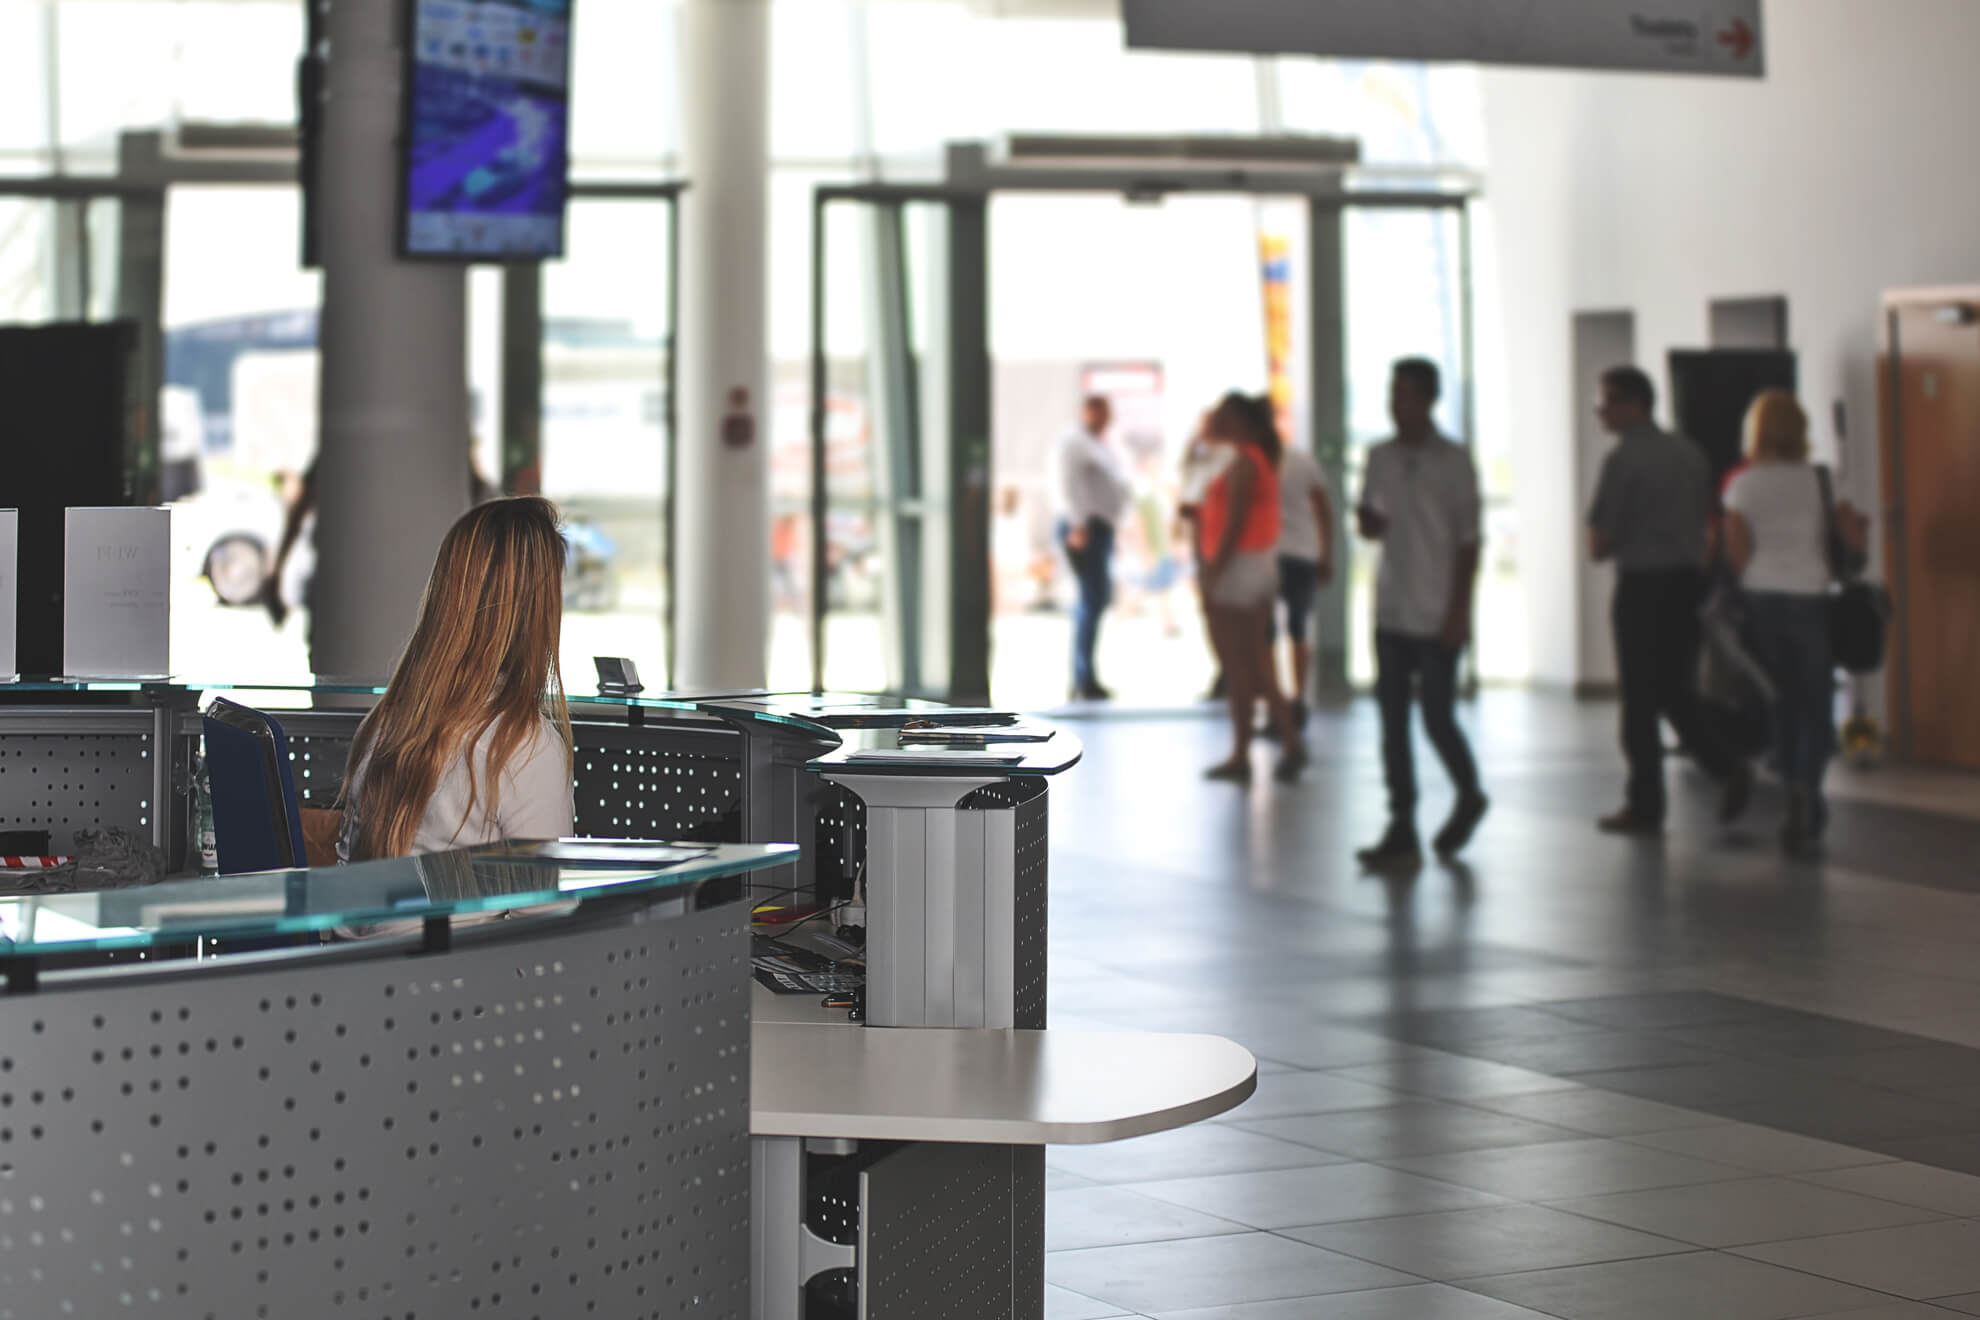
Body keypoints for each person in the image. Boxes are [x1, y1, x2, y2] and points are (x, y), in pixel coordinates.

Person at [337, 496, 575, 861]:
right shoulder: (525, 748)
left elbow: (346, 888)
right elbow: (544, 912)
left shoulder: (383, 723)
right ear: (537, 610)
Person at [1587, 365, 1753, 836]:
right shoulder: (1691, 453)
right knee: (1677, 690)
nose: (1601, 412)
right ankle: (1725, 765)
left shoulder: (1622, 461)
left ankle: (1646, 804)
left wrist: (1614, 538)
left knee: (1639, 699)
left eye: (1607, 401)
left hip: (1641, 587)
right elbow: (1707, 524)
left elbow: (1600, 542)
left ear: (1633, 403)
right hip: (1687, 585)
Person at [1354, 358, 1489, 867]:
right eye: (1392, 393)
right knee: (1392, 724)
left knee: (1436, 716)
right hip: (1390, 608)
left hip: (1436, 610)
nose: (1396, 404)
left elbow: (1469, 542)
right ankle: (1402, 823)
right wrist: (1366, 521)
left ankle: (1468, 791)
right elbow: (1371, 524)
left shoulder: (1454, 461)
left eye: (1406, 394)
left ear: (1429, 400)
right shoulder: (1379, 456)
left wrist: (1459, 612)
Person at [1722, 389, 1868, 854]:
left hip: (1762, 599)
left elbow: (1737, 554)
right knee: (1815, 701)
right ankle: (1808, 788)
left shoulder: (1742, 485)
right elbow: (1851, 541)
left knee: (1780, 701)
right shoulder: (1820, 480)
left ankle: (1791, 792)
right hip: (1811, 597)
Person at [1199, 393, 1304, 784]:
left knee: (1242, 668)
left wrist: (1214, 571)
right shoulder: (1254, 459)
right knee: (1257, 665)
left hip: (1239, 569)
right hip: (1254, 566)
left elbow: (1234, 523)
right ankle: (1282, 742)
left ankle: (1244, 752)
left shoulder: (1245, 462)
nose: (1215, 421)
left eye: (1224, 416)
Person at [1052, 396, 1131, 701]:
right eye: (1101, 413)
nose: (1105, 419)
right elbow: (1065, 485)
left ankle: (1087, 676)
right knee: (1090, 601)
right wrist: (1077, 525)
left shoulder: (1095, 444)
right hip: (1085, 529)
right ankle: (1082, 679)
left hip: (1098, 528)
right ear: (1087, 411)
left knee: (1096, 601)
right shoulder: (1073, 442)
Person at [1273, 439, 1335, 729]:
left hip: (1290, 554)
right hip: (1289, 554)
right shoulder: (1295, 461)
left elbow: (1323, 509)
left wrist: (1326, 553)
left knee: (1291, 630)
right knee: (1285, 631)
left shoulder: (1296, 461)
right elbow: (1324, 510)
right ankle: (1286, 702)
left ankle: (1293, 702)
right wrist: (1325, 554)